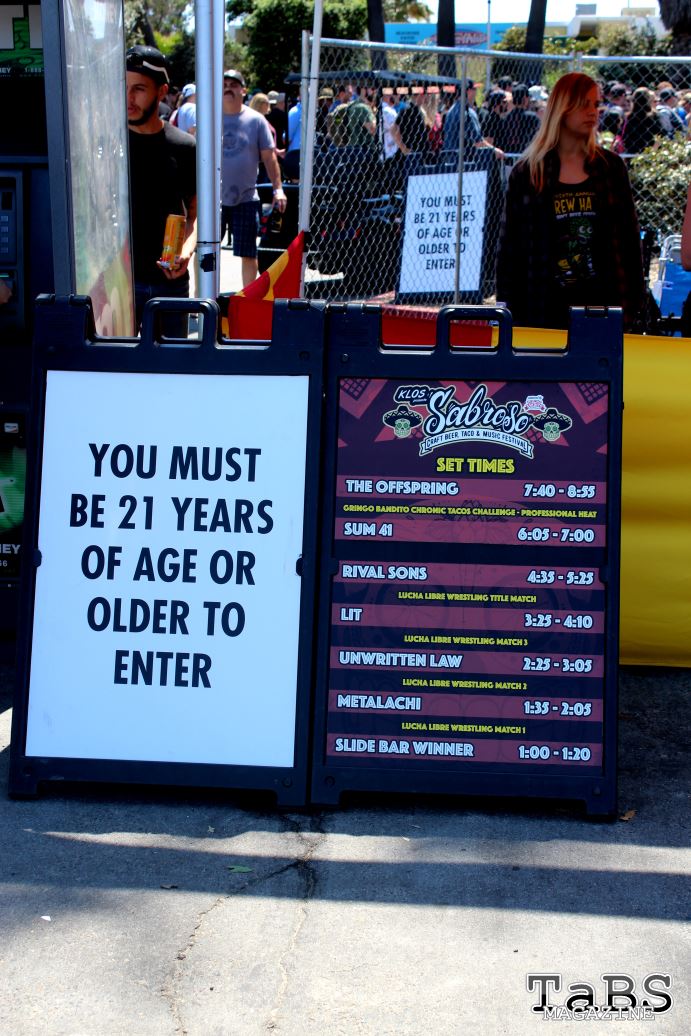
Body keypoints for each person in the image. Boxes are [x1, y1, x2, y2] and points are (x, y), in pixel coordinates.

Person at [496, 72, 644, 331]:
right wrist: (509, 317)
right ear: (562, 108)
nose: (593, 112)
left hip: (605, 310)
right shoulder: (528, 172)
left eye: (596, 104)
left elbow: (630, 244)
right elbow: (510, 252)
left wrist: (633, 308)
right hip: (541, 312)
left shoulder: (611, 168)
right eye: (583, 104)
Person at [125, 45, 197, 333]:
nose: (128, 98)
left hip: (169, 282)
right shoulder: (106, 144)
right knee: (115, 360)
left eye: (139, 89)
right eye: (124, 87)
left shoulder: (184, 146)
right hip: (117, 283)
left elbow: (197, 215)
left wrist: (186, 252)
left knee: (171, 360)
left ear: (161, 91)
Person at [221, 69, 287, 287]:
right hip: (213, 200)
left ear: (243, 90)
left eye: (233, 84)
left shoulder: (256, 120)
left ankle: (248, 298)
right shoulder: (209, 118)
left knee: (248, 253)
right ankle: (204, 298)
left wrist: (278, 189)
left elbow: (269, 157)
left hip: (246, 198)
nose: (228, 88)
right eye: (224, 84)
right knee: (204, 251)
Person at [495, 82, 540, 155]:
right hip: (526, 155)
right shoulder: (532, 117)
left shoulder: (505, 117)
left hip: (508, 155)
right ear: (525, 98)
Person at [621, 87, 663, 154]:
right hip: (650, 152)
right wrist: (652, 152)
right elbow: (660, 135)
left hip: (632, 153)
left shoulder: (629, 117)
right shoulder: (654, 116)